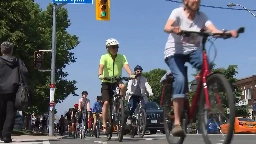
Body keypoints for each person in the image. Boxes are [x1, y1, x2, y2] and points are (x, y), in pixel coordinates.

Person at [163, 0, 238, 137]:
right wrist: (174, 29)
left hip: (193, 51)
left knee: (207, 67)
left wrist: (226, 33)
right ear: (185, 1)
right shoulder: (177, 13)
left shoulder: (202, 16)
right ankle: (177, 123)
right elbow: (167, 27)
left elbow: (213, 30)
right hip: (174, 52)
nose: (196, 0)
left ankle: (204, 93)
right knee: (180, 79)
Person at [98, 38, 135, 132]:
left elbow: (126, 66)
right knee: (106, 102)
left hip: (116, 79)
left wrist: (130, 74)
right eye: (113, 47)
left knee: (123, 86)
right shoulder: (104, 57)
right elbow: (101, 67)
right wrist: (100, 74)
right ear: (108, 48)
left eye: (116, 47)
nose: (115, 49)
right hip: (106, 81)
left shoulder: (122, 57)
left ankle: (121, 104)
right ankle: (104, 125)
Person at [0, 42, 28, 143]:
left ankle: (1, 134)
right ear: (11, 50)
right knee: (10, 112)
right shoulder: (17, 61)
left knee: (1, 112)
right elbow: (24, 71)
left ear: (1, 50)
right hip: (13, 89)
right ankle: (6, 135)